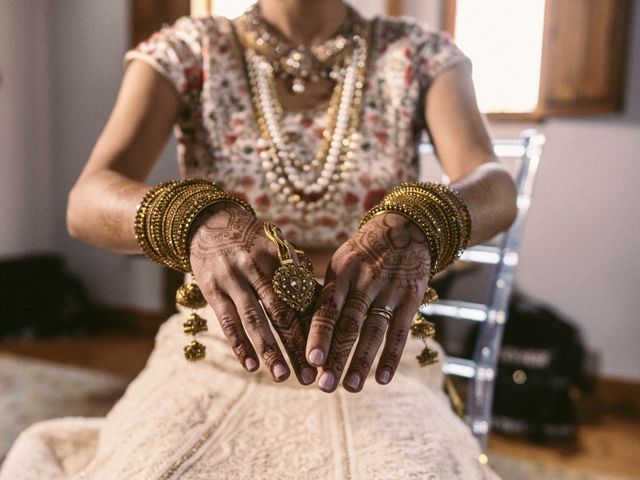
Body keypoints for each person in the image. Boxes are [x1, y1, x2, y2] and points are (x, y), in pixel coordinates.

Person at [1, 0, 517, 478]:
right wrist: (192, 217)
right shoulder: (188, 51)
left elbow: (494, 184)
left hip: (376, 347)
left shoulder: (417, 54)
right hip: (222, 344)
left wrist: (424, 218)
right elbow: (87, 200)